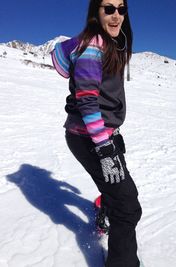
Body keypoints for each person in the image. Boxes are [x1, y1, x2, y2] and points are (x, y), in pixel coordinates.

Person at [51, 0, 142, 266]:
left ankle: (105, 205)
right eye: (108, 9)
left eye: (121, 9)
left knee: (116, 187)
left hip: (101, 133)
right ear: (96, 13)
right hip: (90, 137)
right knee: (127, 208)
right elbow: (88, 100)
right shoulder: (94, 45)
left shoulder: (111, 43)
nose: (116, 16)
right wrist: (104, 148)